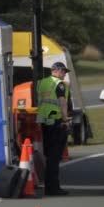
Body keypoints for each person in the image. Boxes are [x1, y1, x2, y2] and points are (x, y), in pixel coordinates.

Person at [36, 62, 72, 196]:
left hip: (45, 121)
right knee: (55, 157)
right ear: (56, 70)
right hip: (56, 121)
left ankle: (49, 186)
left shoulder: (42, 83)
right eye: (63, 71)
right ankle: (53, 188)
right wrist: (65, 119)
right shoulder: (59, 84)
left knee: (49, 156)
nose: (64, 74)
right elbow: (62, 102)